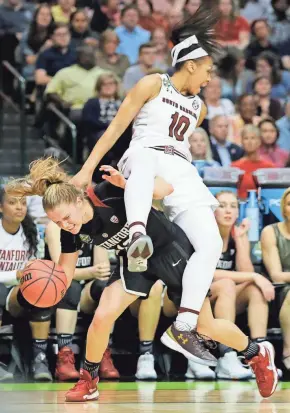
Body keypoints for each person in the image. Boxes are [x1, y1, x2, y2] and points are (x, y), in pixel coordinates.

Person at [6, 158, 279, 400]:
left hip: (169, 251)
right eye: (57, 222)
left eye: (66, 217)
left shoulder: (107, 192)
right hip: (134, 261)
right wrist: (30, 277)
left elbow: (166, 189)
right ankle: (88, 381)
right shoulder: (70, 231)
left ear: (79, 200)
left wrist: (127, 184)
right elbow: (63, 275)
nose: (64, 225)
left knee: (204, 326)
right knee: (103, 316)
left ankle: (256, 353)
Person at [70, 6, 228, 356]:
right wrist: (86, 169)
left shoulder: (200, 108)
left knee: (212, 244)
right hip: (144, 152)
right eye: (207, 70)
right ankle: (138, 233)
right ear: (190, 64)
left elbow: (181, 149)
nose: (209, 78)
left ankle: (184, 326)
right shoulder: (153, 83)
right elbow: (116, 129)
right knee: (143, 161)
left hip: (181, 167)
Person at [188, 191, 274, 380]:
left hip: (222, 298)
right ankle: (227, 355)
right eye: (222, 205)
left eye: (233, 206)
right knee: (227, 283)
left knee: (254, 289)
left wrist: (242, 241)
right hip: (193, 298)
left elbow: (245, 275)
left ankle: (260, 355)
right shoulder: (202, 234)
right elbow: (206, 273)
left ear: (238, 212)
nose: (228, 210)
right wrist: (253, 275)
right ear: (212, 211)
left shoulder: (237, 236)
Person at [45, 222, 120, 380]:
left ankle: (103, 352)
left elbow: (103, 270)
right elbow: (62, 272)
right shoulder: (54, 226)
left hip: (86, 291)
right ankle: (64, 357)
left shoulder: (96, 223)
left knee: (106, 286)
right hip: (55, 291)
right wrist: (90, 271)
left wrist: (92, 271)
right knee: (69, 286)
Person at [0, 186, 55, 382]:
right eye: (12, 202)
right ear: (0, 207)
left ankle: (39, 358)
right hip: (5, 289)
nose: (19, 208)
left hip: (20, 293)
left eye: (23, 203)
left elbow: (36, 267)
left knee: (44, 288)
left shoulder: (31, 232)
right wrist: (16, 274)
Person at [261, 187, 290, 372]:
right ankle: (288, 350)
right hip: (281, 290)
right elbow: (276, 275)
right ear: (283, 208)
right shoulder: (270, 232)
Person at [231, 124, 275, 199]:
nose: (250, 142)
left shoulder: (269, 167)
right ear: (242, 141)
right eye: (246, 138)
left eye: (253, 138)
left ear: (259, 141)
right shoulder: (234, 167)